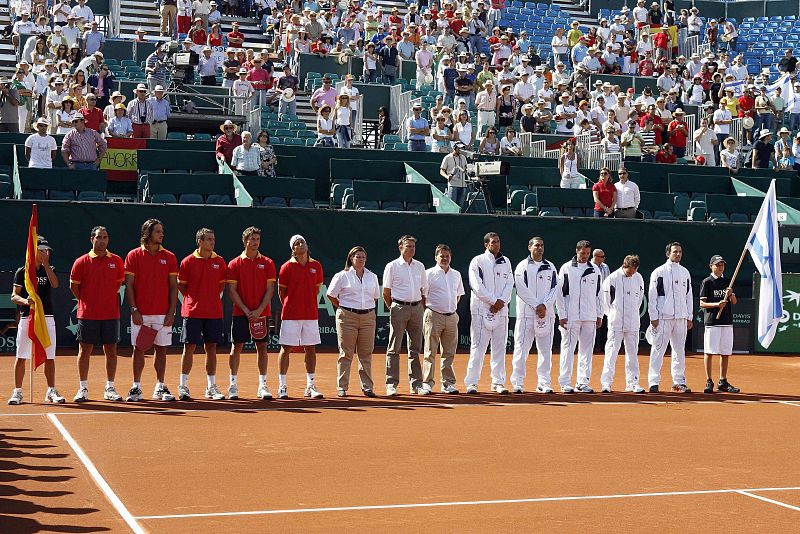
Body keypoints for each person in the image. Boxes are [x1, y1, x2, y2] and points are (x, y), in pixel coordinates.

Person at [123, 219, 179, 403]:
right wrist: (134, 310)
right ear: (148, 233)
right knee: (139, 349)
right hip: (141, 313)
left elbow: (173, 287)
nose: (161, 235)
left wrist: (171, 312)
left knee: (161, 350)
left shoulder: (169, 257)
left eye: (162, 232)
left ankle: (160, 386)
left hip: (162, 314)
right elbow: (129, 286)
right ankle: (136, 387)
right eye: (158, 232)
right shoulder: (133, 255)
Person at [69, 226, 125, 402]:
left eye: (105, 237)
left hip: (110, 314)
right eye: (99, 237)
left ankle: (110, 387)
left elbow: (117, 285)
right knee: (85, 350)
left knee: (111, 350)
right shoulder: (81, 262)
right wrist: (87, 302)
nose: (102, 240)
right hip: (87, 314)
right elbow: (74, 287)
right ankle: (83, 388)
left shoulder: (116, 261)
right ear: (92, 239)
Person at [7, 236, 64, 405]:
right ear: (34, 251)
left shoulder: (49, 268)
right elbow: (13, 296)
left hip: (46, 316)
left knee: (50, 355)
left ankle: (51, 390)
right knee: (21, 354)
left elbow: (55, 284)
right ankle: (17, 392)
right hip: (28, 316)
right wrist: (25, 301)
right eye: (42, 250)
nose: (46, 252)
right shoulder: (22, 271)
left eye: (47, 250)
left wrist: (46, 264)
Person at [177, 228, 227, 401]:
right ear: (200, 241)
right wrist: (194, 300)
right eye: (208, 239)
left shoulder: (219, 262)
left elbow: (220, 286)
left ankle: (211, 387)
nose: (212, 242)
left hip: (213, 312)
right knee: (189, 348)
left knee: (211, 349)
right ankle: (183, 386)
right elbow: (182, 287)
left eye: (213, 239)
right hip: (193, 311)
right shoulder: (188, 262)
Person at [226, 226, 276, 400]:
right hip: (241, 313)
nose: (255, 242)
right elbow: (232, 290)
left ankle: (263, 385)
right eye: (252, 239)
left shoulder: (268, 263)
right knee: (236, 347)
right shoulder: (234, 264)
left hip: (261, 313)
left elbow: (270, 290)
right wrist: (247, 310)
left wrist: (259, 310)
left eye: (257, 239)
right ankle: (232, 384)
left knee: (262, 348)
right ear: (245, 241)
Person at [464, 232, 514, 394]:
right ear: (486, 244)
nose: (496, 244)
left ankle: (498, 382)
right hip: (481, 309)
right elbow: (476, 286)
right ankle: (472, 382)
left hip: (501, 310)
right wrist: (493, 301)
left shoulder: (506, 261)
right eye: (493, 242)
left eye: (498, 241)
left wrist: (501, 302)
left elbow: (510, 283)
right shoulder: (477, 261)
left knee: (499, 347)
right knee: (478, 347)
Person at [327, 246, 380, 397]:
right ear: (351, 258)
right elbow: (331, 295)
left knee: (366, 354)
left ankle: (367, 387)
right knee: (346, 353)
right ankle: (342, 387)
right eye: (358, 257)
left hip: (368, 317)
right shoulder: (342, 276)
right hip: (347, 317)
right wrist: (343, 307)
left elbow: (375, 297)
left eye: (363, 257)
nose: (361, 259)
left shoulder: (372, 276)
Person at [277, 235, 324, 399]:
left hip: (310, 314)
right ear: (293, 249)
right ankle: (282, 386)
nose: (301, 244)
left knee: (310, 348)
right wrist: (292, 306)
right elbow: (281, 293)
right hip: (290, 315)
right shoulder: (286, 267)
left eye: (302, 242)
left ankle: (310, 386)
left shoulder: (316, 266)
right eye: (297, 243)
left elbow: (317, 290)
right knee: (286, 349)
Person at [510, 236, 559, 394]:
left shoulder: (550, 267)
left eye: (542, 245)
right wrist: (536, 305)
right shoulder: (522, 266)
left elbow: (556, 288)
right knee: (521, 349)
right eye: (537, 245)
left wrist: (545, 305)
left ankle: (543, 382)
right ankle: (517, 382)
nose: (540, 248)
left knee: (545, 351)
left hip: (546, 315)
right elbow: (521, 288)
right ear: (529, 247)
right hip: (526, 315)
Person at [382, 235, 428, 396]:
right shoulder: (392, 266)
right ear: (400, 247)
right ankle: (391, 384)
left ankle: (416, 384)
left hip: (417, 309)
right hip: (399, 308)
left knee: (415, 349)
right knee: (394, 348)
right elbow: (386, 292)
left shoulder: (420, 266)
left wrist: (419, 307)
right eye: (408, 246)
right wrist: (394, 307)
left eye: (413, 246)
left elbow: (424, 291)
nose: (411, 249)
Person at [556, 240, 603, 394]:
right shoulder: (566, 268)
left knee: (587, 350)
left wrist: (599, 314)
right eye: (582, 253)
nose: (585, 256)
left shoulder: (595, 269)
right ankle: (565, 382)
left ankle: (582, 382)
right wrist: (562, 315)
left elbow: (599, 294)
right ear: (576, 251)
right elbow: (560, 294)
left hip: (589, 316)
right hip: (572, 316)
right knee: (568, 348)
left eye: (588, 254)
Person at [647, 242, 693, 393]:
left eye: (680, 251)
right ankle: (653, 382)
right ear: (668, 253)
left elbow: (689, 295)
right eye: (675, 252)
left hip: (681, 317)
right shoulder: (659, 272)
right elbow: (652, 295)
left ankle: (679, 381)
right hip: (663, 317)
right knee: (658, 349)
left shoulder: (685, 272)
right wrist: (653, 316)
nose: (678, 254)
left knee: (679, 350)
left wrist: (689, 316)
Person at [421, 244, 464, 395]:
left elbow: (458, 295)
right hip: (433, 315)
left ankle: (448, 384)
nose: (445, 259)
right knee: (430, 351)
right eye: (442, 256)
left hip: (451, 317)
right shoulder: (428, 274)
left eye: (447, 256)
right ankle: (427, 383)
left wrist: (449, 309)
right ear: (436, 257)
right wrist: (433, 309)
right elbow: (422, 296)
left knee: (449, 353)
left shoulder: (456, 274)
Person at [599, 255, 646, 393]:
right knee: (611, 353)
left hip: (633, 322)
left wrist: (632, 313)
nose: (631, 274)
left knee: (632, 353)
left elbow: (639, 300)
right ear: (624, 265)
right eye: (629, 271)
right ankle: (606, 383)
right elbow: (605, 302)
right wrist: (613, 315)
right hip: (616, 322)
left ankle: (633, 383)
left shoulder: (638, 278)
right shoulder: (612, 279)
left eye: (634, 271)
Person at [699, 255, 740, 394]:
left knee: (725, 352)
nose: (720, 267)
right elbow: (702, 303)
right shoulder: (707, 282)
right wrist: (717, 304)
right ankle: (709, 380)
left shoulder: (728, 281)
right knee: (709, 352)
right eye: (717, 265)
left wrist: (730, 294)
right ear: (711, 266)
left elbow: (734, 302)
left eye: (722, 265)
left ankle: (723, 381)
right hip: (712, 322)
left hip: (727, 322)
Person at [440, 140, 468, 209]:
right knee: (452, 205)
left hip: (463, 184)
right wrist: (447, 176)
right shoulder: (447, 157)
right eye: (459, 148)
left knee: (460, 206)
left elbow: (466, 169)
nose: (461, 150)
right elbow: (441, 170)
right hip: (453, 184)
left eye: (462, 148)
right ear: (454, 148)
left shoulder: (463, 157)